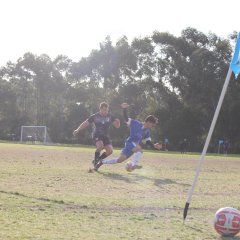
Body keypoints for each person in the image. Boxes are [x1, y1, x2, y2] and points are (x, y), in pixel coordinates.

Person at [94, 103, 162, 171]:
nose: (152, 126)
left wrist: (153, 145)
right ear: (148, 122)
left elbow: (147, 141)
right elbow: (126, 119)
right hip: (130, 143)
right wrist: (124, 109)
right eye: (152, 124)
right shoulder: (136, 123)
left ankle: (101, 162)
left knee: (119, 160)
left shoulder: (147, 131)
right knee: (139, 150)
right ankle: (134, 165)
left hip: (133, 147)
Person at [73, 102, 120, 167]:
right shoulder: (95, 116)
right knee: (100, 146)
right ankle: (95, 164)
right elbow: (85, 123)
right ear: (100, 109)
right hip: (97, 134)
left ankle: (97, 160)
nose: (105, 111)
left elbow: (117, 126)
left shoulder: (110, 116)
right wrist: (77, 130)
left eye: (107, 110)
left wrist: (118, 123)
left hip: (105, 136)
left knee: (110, 151)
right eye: (104, 110)